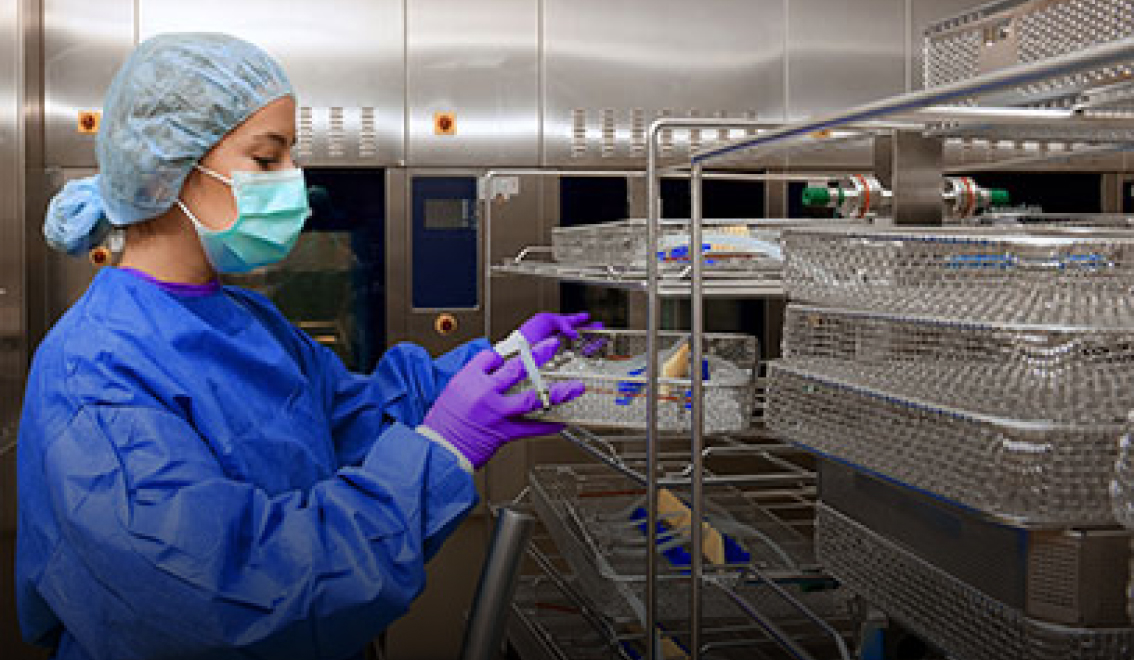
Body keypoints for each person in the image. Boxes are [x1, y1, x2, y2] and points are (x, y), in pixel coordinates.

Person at [17, 33, 593, 660]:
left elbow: (354, 418)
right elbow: (233, 595)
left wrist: (497, 363)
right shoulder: (95, 369)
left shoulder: (246, 320)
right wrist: (445, 451)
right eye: (267, 159)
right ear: (167, 172)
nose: (294, 179)